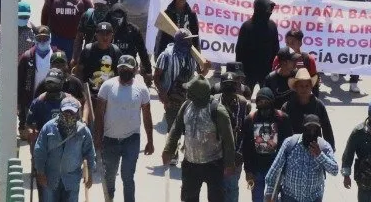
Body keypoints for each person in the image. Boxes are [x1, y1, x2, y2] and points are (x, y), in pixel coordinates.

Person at [163, 76, 238, 201]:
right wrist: (168, 149)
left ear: (198, 94)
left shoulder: (218, 111)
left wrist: (229, 163)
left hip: (213, 164)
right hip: (190, 164)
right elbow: (176, 128)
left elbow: (228, 139)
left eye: (189, 91)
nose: (187, 93)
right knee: (188, 198)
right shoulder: (186, 105)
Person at [95, 54, 154, 202]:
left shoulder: (141, 89)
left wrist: (150, 141)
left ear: (135, 70)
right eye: (122, 68)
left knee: (128, 176)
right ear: (117, 69)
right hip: (110, 139)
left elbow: (147, 116)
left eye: (128, 69)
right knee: (109, 176)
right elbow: (99, 115)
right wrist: (97, 138)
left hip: (131, 139)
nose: (124, 71)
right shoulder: (107, 86)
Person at [32, 96, 100, 202]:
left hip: (71, 180)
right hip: (50, 178)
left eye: (71, 112)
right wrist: (40, 172)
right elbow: (40, 150)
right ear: (60, 111)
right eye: (65, 111)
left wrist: (90, 174)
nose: (68, 115)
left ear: (77, 113)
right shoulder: (48, 127)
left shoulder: (83, 131)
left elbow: (90, 153)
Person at [264, 114, 338, 202]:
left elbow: (334, 170)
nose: (312, 132)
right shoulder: (290, 143)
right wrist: (269, 194)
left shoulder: (324, 146)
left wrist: (320, 155)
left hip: (314, 198)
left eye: (315, 129)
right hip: (290, 197)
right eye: (309, 128)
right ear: (303, 128)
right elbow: (274, 170)